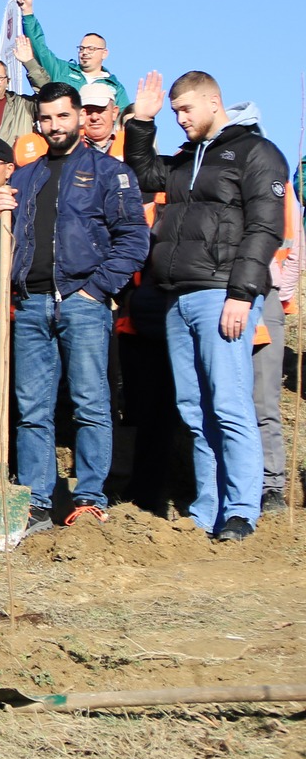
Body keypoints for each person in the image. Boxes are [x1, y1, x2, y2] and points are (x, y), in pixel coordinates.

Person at [123, 71, 290, 541]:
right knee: (194, 409)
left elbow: (265, 228)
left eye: (185, 110)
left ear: (213, 102)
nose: (179, 119)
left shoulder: (257, 153)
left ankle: (241, 510)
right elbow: (144, 173)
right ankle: (207, 510)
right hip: (177, 295)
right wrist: (142, 122)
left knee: (230, 404)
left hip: (223, 293)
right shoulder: (187, 158)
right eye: (174, 112)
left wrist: (242, 294)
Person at [0, 83, 149, 537]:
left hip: (82, 302)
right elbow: (1, 235)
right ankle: (37, 499)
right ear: (37, 121)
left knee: (90, 402)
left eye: (62, 116)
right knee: (31, 407)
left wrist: (96, 291)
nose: (54, 126)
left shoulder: (109, 172)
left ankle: (90, 498)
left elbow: (133, 239)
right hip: (32, 304)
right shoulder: (23, 175)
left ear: (79, 116)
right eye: (46, 118)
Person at [16, 0, 130, 109]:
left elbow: (125, 118)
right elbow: (40, 49)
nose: (85, 52)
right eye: (81, 48)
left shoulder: (115, 87)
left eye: (91, 49)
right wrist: (27, 11)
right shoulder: (62, 71)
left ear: (104, 53)